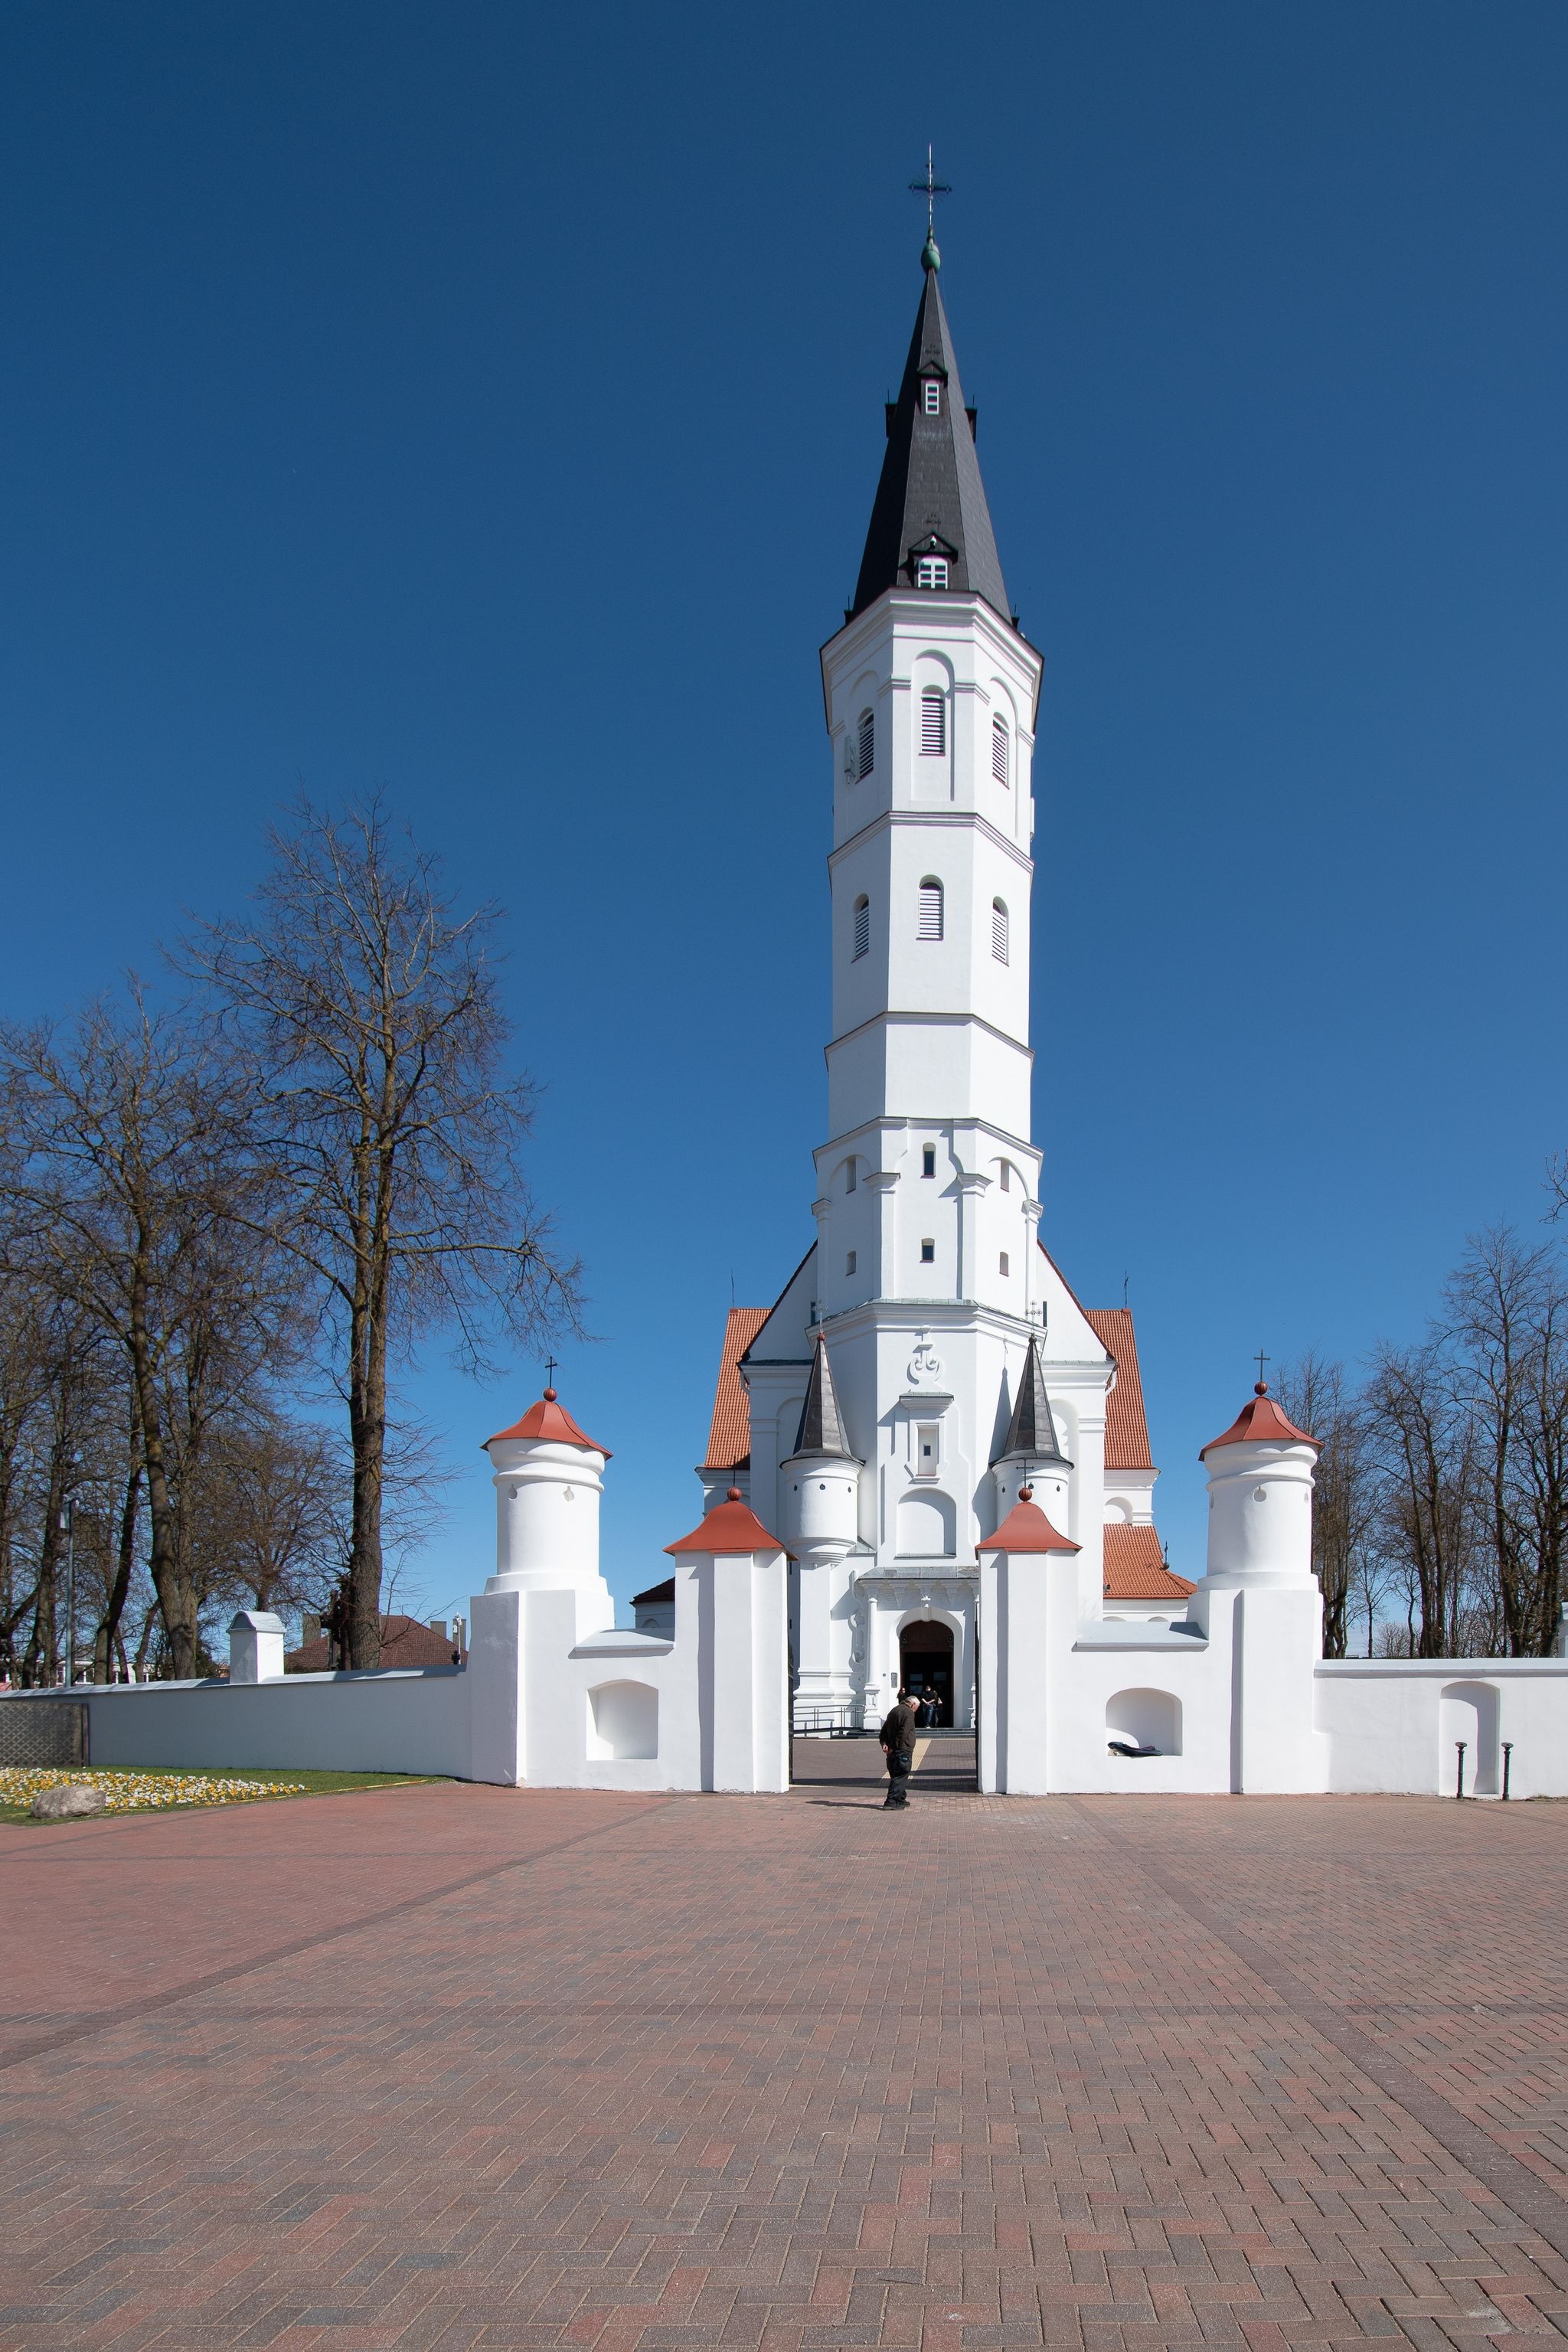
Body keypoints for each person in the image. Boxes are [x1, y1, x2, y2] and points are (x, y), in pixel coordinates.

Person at [879, 1688, 920, 1809]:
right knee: (901, 1775)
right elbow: (904, 1732)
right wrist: (893, 1747)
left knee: (896, 1774)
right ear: (912, 1704)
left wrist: (884, 1743)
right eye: (916, 1708)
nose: (916, 1711)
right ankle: (891, 1802)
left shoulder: (894, 1710)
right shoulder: (908, 1713)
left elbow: (884, 1731)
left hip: (892, 1750)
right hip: (902, 1749)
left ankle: (901, 1798)